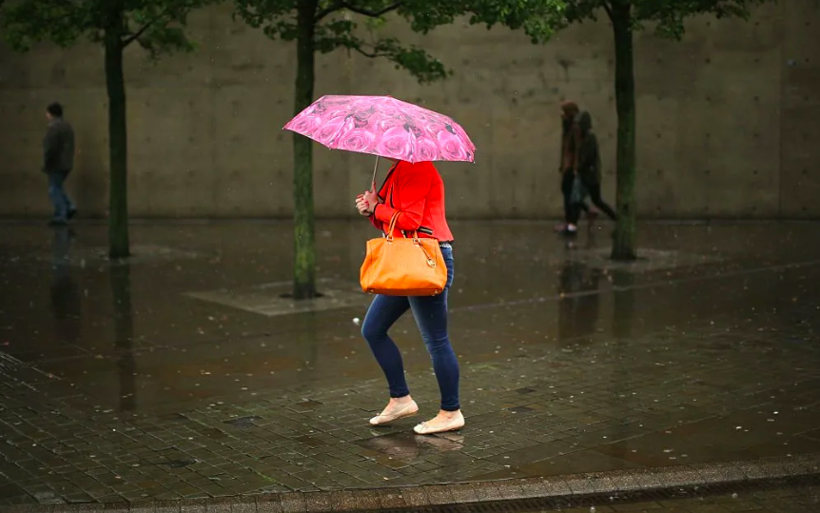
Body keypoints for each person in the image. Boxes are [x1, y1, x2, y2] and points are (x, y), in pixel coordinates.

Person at [354, 158, 463, 435]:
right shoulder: (398, 167)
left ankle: (451, 412)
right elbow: (395, 224)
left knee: (436, 340)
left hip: (425, 259)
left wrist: (378, 206)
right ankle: (400, 399)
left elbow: (411, 220)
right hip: (406, 260)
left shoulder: (416, 167)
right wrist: (371, 209)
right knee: (373, 329)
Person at [567, 111, 617, 228]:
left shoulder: (589, 139)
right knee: (579, 200)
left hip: (589, 177)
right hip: (587, 176)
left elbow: (587, 158)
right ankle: (573, 225)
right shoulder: (584, 139)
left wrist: (578, 169)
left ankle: (615, 218)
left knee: (587, 200)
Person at [556, 100, 591, 236]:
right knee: (567, 195)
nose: (562, 115)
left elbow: (577, 149)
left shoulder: (574, 128)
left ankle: (571, 225)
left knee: (570, 197)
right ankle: (571, 221)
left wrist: (575, 167)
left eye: (564, 112)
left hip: (571, 168)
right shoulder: (567, 128)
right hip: (567, 167)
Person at [43, 102, 76, 226]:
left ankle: (61, 214)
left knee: (53, 189)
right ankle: (69, 206)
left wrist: (47, 163)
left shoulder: (54, 127)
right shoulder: (67, 126)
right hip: (66, 163)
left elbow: (50, 148)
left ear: (51, 114)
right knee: (58, 187)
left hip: (56, 163)